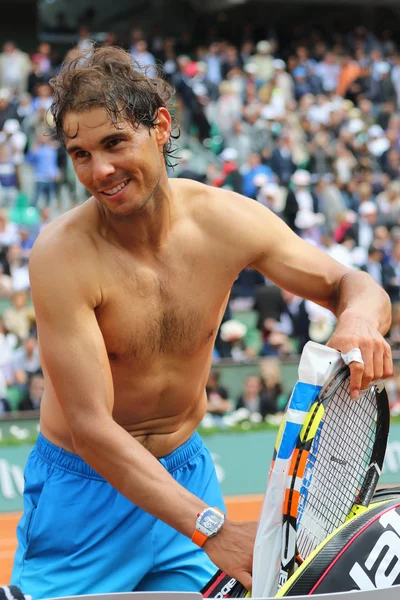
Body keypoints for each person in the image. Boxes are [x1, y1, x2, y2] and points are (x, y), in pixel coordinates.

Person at [11, 46, 393, 600]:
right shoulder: (60, 256)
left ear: (161, 127)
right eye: (80, 153)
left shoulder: (226, 220)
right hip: (83, 491)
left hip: (185, 472)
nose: (100, 171)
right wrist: (208, 526)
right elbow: (92, 428)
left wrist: (358, 319)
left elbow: (352, 285)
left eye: (114, 142)